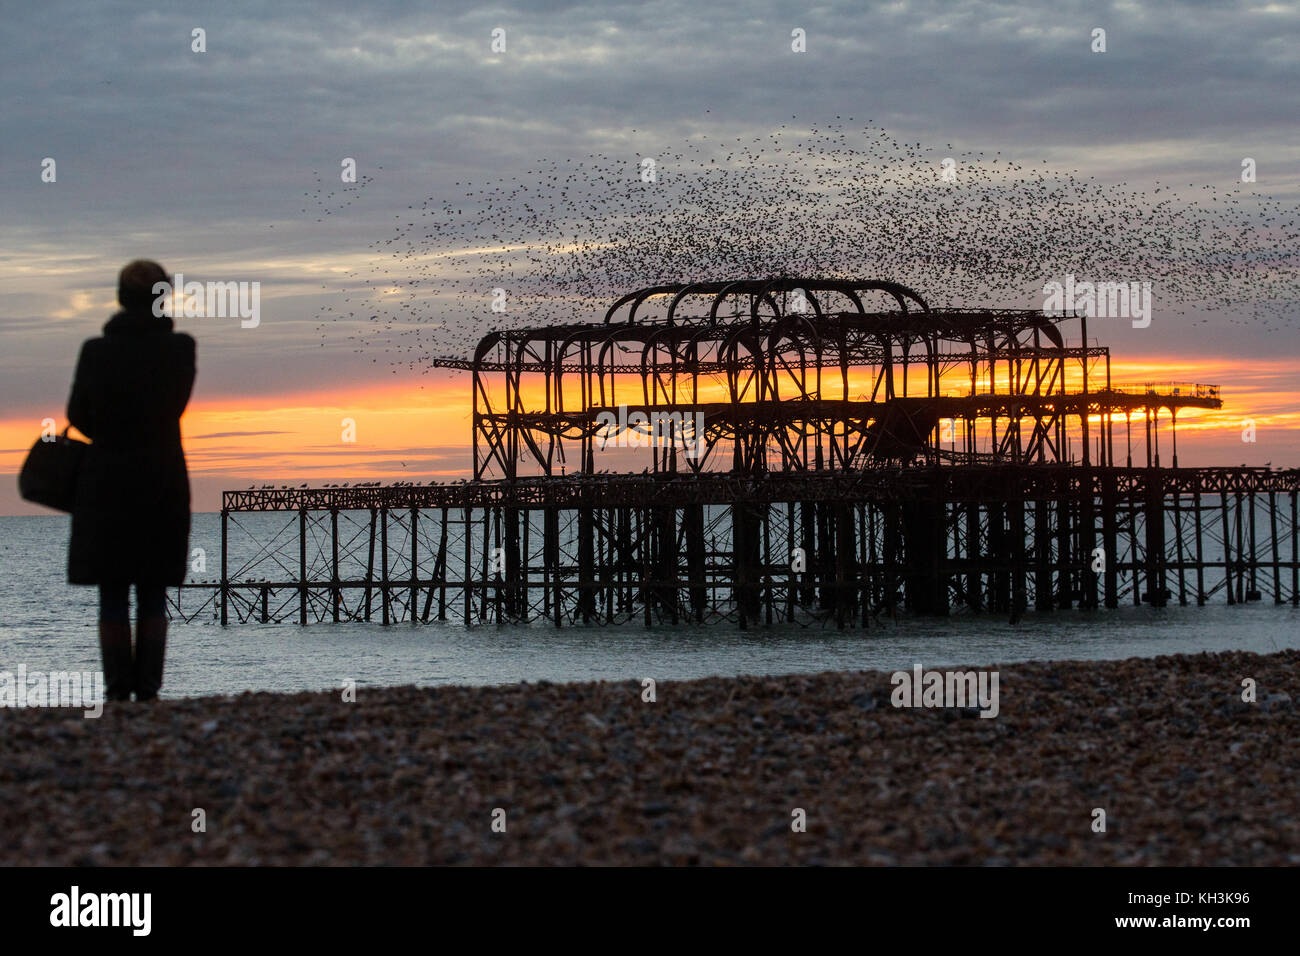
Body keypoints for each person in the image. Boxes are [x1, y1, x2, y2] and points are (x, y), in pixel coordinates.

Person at [67, 260, 196, 701]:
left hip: (105, 480)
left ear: (120, 297)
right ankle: (150, 690)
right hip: (162, 477)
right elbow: (175, 406)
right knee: (154, 588)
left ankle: (117, 690)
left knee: (112, 589)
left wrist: (110, 432)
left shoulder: (95, 351)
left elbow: (75, 415)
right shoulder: (181, 349)